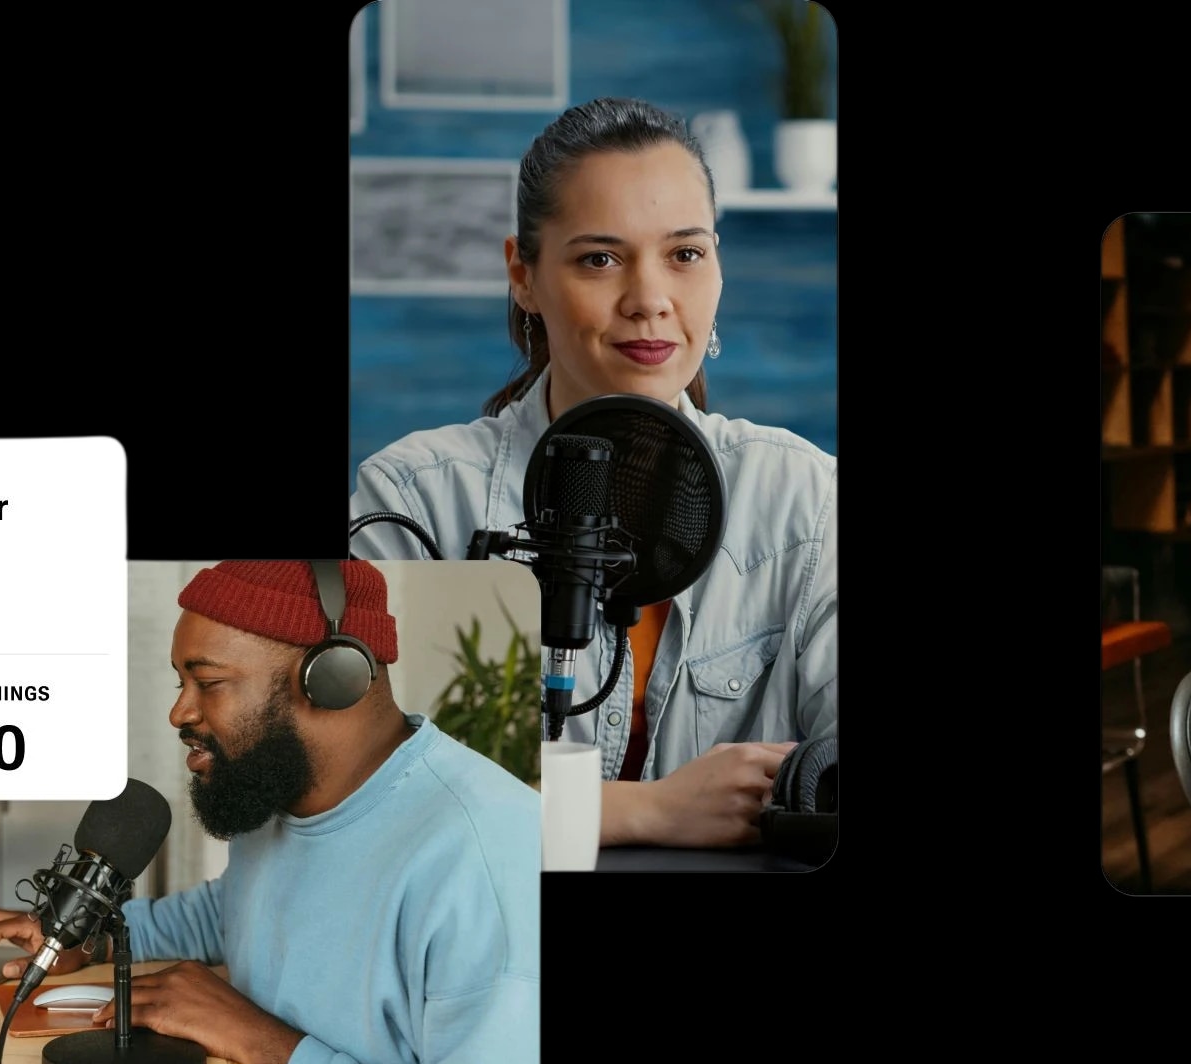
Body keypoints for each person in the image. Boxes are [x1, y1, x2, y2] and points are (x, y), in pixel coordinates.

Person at [349, 97, 834, 852]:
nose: (649, 299)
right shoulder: (414, 496)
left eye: (686, 253)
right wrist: (642, 810)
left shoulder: (805, 499)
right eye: (599, 258)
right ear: (524, 275)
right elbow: (359, 790)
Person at [0, 560, 538, 1064]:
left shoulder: (484, 861)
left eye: (207, 682)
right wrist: (93, 940)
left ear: (332, 679)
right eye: (179, 682)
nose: (179, 713)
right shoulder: (283, 798)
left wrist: (259, 1043)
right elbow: (233, 906)